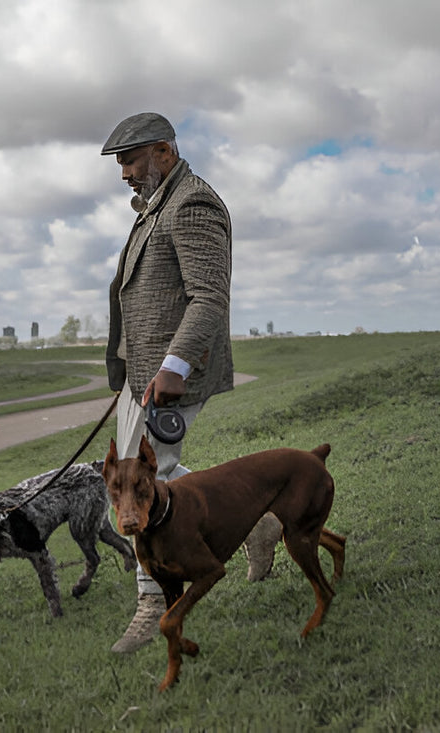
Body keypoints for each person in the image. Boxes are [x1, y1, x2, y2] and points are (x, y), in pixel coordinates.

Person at [101, 112, 280, 653]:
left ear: (162, 151)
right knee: (160, 471)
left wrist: (173, 368)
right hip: (144, 373)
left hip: (171, 376)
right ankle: (258, 524)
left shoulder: (193, 204)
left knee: (142, 481)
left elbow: (209, 298)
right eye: (121, 163)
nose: (124, 173)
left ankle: (152, 603)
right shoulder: (155, 205)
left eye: (130, 160)